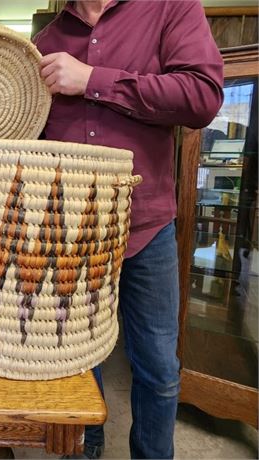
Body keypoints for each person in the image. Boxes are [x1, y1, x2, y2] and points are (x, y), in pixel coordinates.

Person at [33, 1, 224, 459]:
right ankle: (86, 450)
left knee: (158, 368)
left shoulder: (171, 9)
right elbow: (27, 135)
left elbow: (202, 97)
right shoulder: (44, 44)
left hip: (147, 224)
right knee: (77, 361)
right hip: (70, 232)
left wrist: (92, 80)